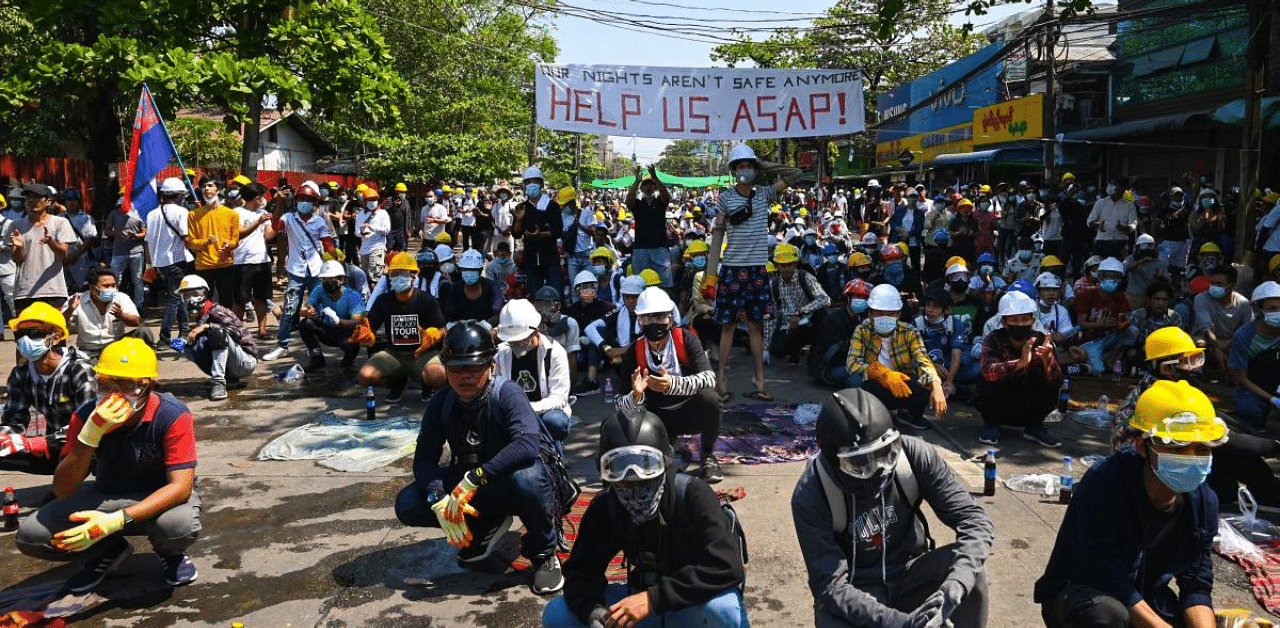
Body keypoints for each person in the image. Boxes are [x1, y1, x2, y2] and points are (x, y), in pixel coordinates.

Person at [793, 388, 993, 628]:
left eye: (885, 455)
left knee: (973, 576)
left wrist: (955, 585)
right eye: (860, 465)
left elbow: (974, 520)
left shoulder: (914, 456)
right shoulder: (812, 493)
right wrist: (902, 623)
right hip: (854, 591)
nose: (878, 471)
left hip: (910, 576)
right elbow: (830, 584)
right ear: (833, 460)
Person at [394, 321, 566, 594]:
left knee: (529, 477)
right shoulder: (442, 402)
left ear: (492, 366)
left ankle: (544, 554)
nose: (466, 377)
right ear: (446, 370)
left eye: (474, 368)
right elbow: (424, 459)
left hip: (511, 480)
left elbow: (527, 445)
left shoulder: (507, 393)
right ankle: (485, 523)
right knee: (409, 503)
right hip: (473, 484)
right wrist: (437, 496)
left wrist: (477, 478)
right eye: (457, 369)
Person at [1035, 380, 1225, 628]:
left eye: (1201, 449)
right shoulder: (1104, 484)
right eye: (1177, 447)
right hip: (1081, 593)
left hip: (1144, 594)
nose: (1191, 459)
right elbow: (1105, 574)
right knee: (1107, 615)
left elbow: (1197, 583)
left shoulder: (1204, 503)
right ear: (1141, 446)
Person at [15, 339, 200, 592]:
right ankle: (107, 551)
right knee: (32, 536)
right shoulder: (86, 415)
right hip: (107, 492)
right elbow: (62, 489)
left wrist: (116, 521)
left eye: (124, 385)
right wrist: (89, 437)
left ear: (147, 387)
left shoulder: (173, 414)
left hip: (158, 495)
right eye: (105, 384)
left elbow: (180, 487)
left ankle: (171, 554)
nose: (113, 394)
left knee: (177, 527)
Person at [544, 410, 748, 628]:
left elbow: (727, 566)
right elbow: (581, 570)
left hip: (690, 604)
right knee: (557, 614)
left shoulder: (694, 495)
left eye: (645, 464)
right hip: (642, 608)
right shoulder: (606, 506)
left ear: (665, 463)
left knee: (723, 610)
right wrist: (593, 611)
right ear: (606, 472)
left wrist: (653, 598)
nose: (633, 479)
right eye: (620, 468)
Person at [712, 144, 801, 402]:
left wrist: (763, 164)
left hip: (758, 269)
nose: (745, 170)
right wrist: (711, 274)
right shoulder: (725, 198)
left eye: (748, 166)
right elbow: (717, 236)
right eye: (740, 166)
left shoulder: (764, 194)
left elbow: (795, 173)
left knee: (756, 326)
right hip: (731, 268)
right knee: (728, 326)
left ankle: (760, 380)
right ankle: (722, 380)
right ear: (733, 171)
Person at [617, 287, 723, 483]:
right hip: (655, 420)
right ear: (639, 321)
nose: (653, 323)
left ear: (670, 319)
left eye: (659, 317)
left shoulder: (687, 339)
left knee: (711, 398)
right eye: (647, 318)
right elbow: (619, 403)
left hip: (688, 413)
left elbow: (709, 378)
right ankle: (661, 450)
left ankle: (708, 455)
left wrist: (672, 384)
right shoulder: (635, 351)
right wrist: (636, 396)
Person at [0, 303, 95, 474]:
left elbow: (89, 426)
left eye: (35, 334)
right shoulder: (21, 374)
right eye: (20, 335)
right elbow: (14, 419)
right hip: (55, 447)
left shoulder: (80, 371)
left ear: (56, 337)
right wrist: (5, 438)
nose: (25, 340)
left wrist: (39, 443)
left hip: (86, 447)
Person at [846, 284, 947, 431]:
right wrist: (880, 372)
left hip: (901, 385)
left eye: (891, 313)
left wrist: (937, 386)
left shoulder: (909, 332)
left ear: (898, 315)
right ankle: (865, 415)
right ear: (870, 314)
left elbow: (924, 361)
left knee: (928, 379)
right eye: (879, 313)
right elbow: (851, 364)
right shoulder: (861, 331)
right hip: (874, 387)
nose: (885, 317)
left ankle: (909, 415)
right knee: (853, 379)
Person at [355, 252, 447, 402]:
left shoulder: (426, 300)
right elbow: (370, 326)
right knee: (366, 376)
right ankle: (397, 380)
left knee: (438, 376)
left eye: (403, 274)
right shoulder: (383, 300)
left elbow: (442, 328)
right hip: (394, 353)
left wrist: (433, 336)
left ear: (413, 276)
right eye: (394, 274)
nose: (398, 278)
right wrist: (364, 334)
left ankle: (427, 386)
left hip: (423, 353)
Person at [975, 291, 1063, 447]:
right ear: (1004, 322)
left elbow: (1056, 379)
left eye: (1024, 319)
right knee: (985, 378)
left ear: (1032, 320)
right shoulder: (993, 339)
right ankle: (992, 425)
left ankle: (1035, 427)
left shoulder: (1042, 341)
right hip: (999, 405)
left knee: (1049, 378)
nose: (1020, 324)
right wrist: (1019, 364)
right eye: (1014, 320)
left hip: (1029, 404)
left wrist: (1048, 360)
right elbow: (987, 370)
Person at [264, 182, 334, 362]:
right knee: (289, 309)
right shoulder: (288, 218)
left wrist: (335, 260)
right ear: (296, 201)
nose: (305, 202)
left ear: (314, 203)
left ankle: (317, 345)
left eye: (309, 200)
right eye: (302, 199)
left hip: (316, 271)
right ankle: (282, 345)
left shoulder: (319, 221)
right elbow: (275, 226)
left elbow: (327, 243)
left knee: (320, 309)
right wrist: (278, 203)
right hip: (295, 271)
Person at [494, 299, 571, 453]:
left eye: (520, 340)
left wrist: (527, 408)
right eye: (512, 342)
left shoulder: (555, 352)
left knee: (555, 421)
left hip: (543, 413)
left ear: (535, 331)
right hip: (511, 415)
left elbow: (559, 397)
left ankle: (553, 452)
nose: (516, 344)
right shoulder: (501, 354)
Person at [177, 275, 257, 401]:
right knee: (190, 346)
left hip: (245, 361)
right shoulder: (199, 315)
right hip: (233, 362)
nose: (190, 299)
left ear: (205, 293)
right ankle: (227, 378)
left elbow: (237, 331)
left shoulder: (216, 310)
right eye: (186, 295)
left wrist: (207, 326)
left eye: (194, 293)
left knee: (217, 333)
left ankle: (218, 383)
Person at [144, 178, 195, 349]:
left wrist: (149, 265)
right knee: (174, 299)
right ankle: (165, 338)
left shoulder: (152, 214)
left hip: (161, 263)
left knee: (179, 296)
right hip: (176, 260)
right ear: (179, 195)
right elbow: (186, 237)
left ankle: (184, 329)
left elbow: (147, 242)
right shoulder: (181, 212)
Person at [11, 183, 78, 312]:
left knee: (53, 331)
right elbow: (16, 259)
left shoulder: (60, 223)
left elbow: (64, 254)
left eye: (36, 197)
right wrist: (18, 247)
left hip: (53, 291)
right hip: (24, 292)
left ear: (48, 201)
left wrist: (51, 242)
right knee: (25, 331)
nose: (31, 201)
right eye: (28, 198)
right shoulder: (16, 225)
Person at [767, 243, 831, 366]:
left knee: (823, 316)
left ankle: (816, 348)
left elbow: (825, 299)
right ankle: (794, 348)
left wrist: (800, 312)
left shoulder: (806, 277)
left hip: (809, 321)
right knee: (777, 350)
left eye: (789, 264)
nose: (786, 269)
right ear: (777, 266)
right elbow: (773, 313)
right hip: (788, 325)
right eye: (782, 265)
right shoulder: (773, 284)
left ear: (795, 263)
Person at [63, 267, 148, 359]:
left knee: (143, 332)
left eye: (113, 285)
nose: (111, 289)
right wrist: (70, 310)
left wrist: (122, 316)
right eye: (106, 286)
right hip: (89, 351)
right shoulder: (77, 300)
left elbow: (136, 321)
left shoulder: (121, 298)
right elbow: (61, 325)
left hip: (116, 348)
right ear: (92, 288)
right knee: (83, 370)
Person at [1229, 281, 1280, 430]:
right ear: (1259, 309)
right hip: (1255, 384)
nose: (1278, 313)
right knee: (1248, 408)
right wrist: (1271, 399)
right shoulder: (1243, 336)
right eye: (1272, 309)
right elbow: (1240, 377)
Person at [298, 260, 365, 373]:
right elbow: (307, 306)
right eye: (324, 279)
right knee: (305, 323)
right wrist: (307, 311)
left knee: (355, 334)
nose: (327, 282)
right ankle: (317, 358)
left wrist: (339, 322)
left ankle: (350, 357)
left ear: (342, 280)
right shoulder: (319, 289)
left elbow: (357, 322)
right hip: (326, 330)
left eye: (332, 279)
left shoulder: (353, 296)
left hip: (346, 332)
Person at [185, 176, 240, 307]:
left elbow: (235, 241)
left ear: (218, 189)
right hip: (203, 265)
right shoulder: (193, 215)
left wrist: (229, 245)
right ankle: (206, 326)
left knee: (227, 302)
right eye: (204, 186)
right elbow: (191, 242)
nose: (206, 189)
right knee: (204, 304)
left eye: (210, 186)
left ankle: (226, 326)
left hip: (225, 264)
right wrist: (205, 242)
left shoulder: (231, 214)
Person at [1074, 257, 1132, 374]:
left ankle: (1111, 358)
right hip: (1090, 339)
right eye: (1106, 276)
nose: (1110, 280)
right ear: (1100, 277)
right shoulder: (1087, 295)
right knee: (1097, 370)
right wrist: (1100, 324)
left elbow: (1123, 318)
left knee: (1132, 331)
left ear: (1120, 279)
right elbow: (1081, 323)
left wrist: (1121, 323)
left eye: (1114, 277)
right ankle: (1084, 364)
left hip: (1110, 336)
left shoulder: (1120, 296)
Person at [512, 166, 564, 297]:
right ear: (524, 185)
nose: (531, 185)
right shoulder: (522, 207)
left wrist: (541, 234)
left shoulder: (552, 206)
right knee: (535, 296)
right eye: (528, 182)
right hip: (531, 261)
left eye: (535, 182)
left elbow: (557, 231)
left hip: (550, 259)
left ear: (541, 184)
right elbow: (516, 233)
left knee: (556, 295)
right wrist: (519, 219)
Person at [232, 182, 275, 340]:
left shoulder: (263, 212)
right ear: (253, 198)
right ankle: (238, 332)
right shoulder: (236, 213)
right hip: (242, 262)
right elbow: (238, 234)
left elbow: (268, 235)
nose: (262, 199)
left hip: (262, 260)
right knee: (240, 300)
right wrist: (258, 222)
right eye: (260, 197)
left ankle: (262, 330)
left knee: (261, 297)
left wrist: (276, 224)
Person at [811, 279, 872, 388]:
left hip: (849, 363)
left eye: (864, 298)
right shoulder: (832, 320)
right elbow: (833, 352)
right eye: (857, 297)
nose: (861, 301)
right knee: (857, 379)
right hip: (828, 367)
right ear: (848, 299)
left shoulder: (859, 320)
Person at [1192, 265, 1250, 374]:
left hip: (1231, 342)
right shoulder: (1201, 299)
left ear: (1231, 285)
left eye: (1219, 284)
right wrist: (1216, 348)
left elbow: (1247, 330)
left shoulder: (1243, 303)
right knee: (1200, 343)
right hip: (1207, 340)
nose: (1214, 286)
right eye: (1213, 283)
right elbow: (1206, 329)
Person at [443, 248, 504, 323]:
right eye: (466, 270)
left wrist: (486, 326)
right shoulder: (454, 289)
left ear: (480, 270)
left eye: (473, 270)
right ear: (461, 270)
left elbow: (497, 314)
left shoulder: (493, 287)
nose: (469, 273)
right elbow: (449, 316)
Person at [105, 200, 147, 306]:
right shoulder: (114, 214)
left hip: (136, 252)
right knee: (114, 278)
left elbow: (144, 232)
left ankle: (139, 305)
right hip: (118, 252)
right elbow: (107, 230)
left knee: (137, 279)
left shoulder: (138, 215)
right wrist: (115, 233)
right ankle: (113, 304)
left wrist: (135, 236)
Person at [1087, 178, 1137, 261]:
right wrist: (1097, 224)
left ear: (1122, 189)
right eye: (1110, 184)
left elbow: (1133, 225)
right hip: (1102, 242)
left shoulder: (1129, 205)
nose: (1110, 187)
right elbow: (1089, 221)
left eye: (1114, 184)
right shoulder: (1100, 203)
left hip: (1120, 244)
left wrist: (1124, 228)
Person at [355, 188, 390, 282]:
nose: (372, 202)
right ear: (365, 201)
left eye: (374, 199)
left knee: (375, 277)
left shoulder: (383, 213)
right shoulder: (361, 214)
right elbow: (357, 231)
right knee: (365, 278)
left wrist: (372, 227)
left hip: (377, 248)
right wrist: (361, 233)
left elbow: (387, 230)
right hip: (364, 250)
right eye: (369, 200)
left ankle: (376, 294)